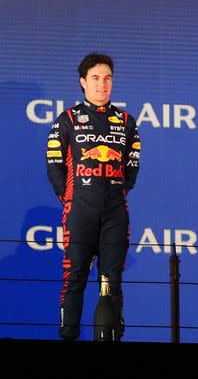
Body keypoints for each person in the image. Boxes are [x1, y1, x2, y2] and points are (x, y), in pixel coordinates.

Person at [46, 53, 140, 340]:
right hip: (79, 212)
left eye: (108, 78)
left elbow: (131, 170)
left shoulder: (126, 122)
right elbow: (54, 166)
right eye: (96, 78)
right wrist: (73, 200)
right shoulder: (68, 119)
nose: (102, 85)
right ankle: (68, 335)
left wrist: (112, 194)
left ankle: (111, 337)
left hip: (114, 212)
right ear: (83, 82)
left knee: (111, 280)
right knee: (74, 277)